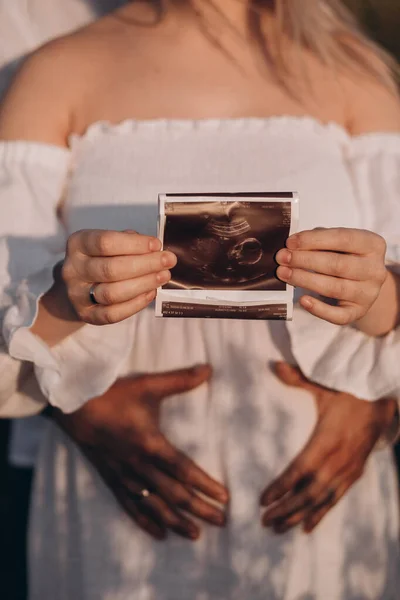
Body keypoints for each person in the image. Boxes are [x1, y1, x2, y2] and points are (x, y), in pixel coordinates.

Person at [1, 0, 400, 598]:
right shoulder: (54, 73)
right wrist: (68, 296)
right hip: (126, 515)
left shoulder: (353, 71)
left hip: (318, 503)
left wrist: (376, 317)